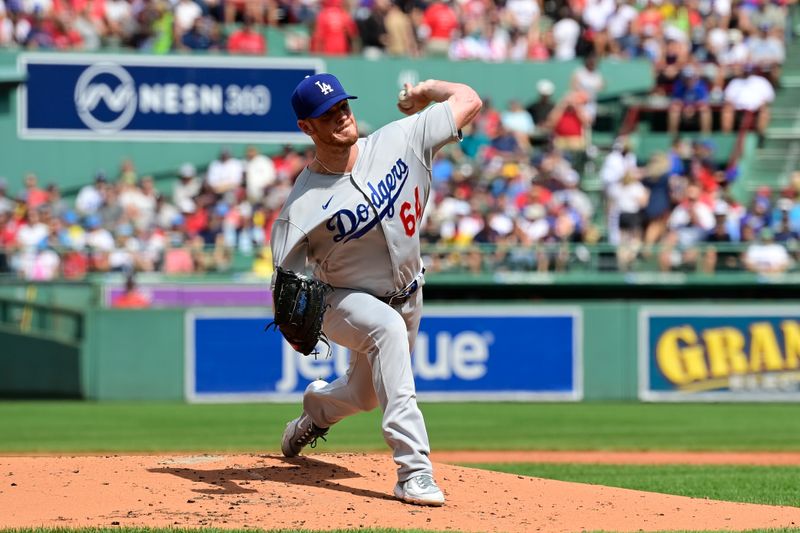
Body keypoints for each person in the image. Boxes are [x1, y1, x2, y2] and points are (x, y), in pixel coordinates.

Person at [271, 73, 481, 506]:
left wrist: (427, 91)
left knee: (365, 396)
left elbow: (469, 100)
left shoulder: (401, 138)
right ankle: (414, 470)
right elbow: (285, 287)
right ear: (306, 127)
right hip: (341, 300)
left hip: (410, 292)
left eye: (342, 106)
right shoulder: (301, 206)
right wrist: (294, 320)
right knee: (384, 327)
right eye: (325, 115)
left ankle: (317, 410)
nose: (340, 117)